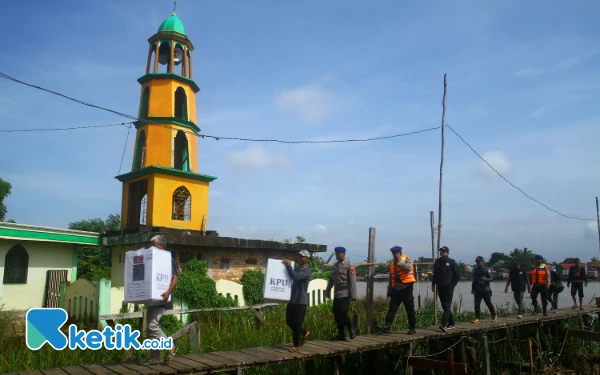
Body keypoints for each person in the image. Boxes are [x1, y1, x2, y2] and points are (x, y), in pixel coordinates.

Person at [139, 235, 179, 365]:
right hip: (152, 298)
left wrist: (167, 292)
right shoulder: (153, 260)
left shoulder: (168, 259)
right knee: (150, 328)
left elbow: (175, 278)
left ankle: (171, 347)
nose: (151, 248)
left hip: (163, 298)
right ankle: (154, 358)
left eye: (154, 245)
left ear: (161, 246)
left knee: (152, 325)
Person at [377, 246, 418, 335]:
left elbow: (409, 268)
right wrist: (389, 289)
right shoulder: (392, 261)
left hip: (406, 288)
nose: (394, 256)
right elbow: (391, 276)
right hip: (396, 289)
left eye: (395, 254)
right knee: (392, 308)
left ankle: (412, 327)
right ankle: (387, 325)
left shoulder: (406, 259)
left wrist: (399, 262)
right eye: (393, 254)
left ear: (400, 253)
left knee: (409, 308)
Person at [325, 246, 357, 341]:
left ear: (344, 254)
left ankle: (351, 328)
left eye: (339, 254)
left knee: (343, 312)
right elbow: (331, 280)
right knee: (337, 315)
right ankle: (341, 334)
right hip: (337, 294)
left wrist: (353, 295)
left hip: (345, 293)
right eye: (336, 254)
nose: (337, 256)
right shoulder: (335, 266)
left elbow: (352, 281)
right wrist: (328, 290)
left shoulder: (349, 265)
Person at [283, 250, 312, 353]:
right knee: (289, 321)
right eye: (299, 256)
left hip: (301, 301)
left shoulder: (306, 271)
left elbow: (295, 277)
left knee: (297, 323)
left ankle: (295, 345)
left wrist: (288, 266)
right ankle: (304, 333)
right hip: (292, 300)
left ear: (307, 259)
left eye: (302, 257)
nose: (300, 258)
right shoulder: (296, 269)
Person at [431, 246, 461, 332]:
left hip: (449, 287)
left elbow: (458, 275)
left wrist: (453, 284)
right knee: (444, 306)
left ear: (447, 253)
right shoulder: (437, 262)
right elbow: (435, 275)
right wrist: (433, 284)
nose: (441, 253)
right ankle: (451, 323)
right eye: (441, 252)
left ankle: (444, 324)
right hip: (440, 287)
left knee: (447, 305)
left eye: (443, 252)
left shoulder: (451, 262)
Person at [472, 256, 497, 324]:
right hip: (477, 289)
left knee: (488, 303)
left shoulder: (487, 269)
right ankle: (477, 318)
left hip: (486, 290)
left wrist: (485, 279)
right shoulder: (476, 270)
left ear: (482, 262)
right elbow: (474, 280)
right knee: (477, 304)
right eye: (477, 262)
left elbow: (491, 278)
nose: (477, 263)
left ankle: (494, 315)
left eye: (479, 262)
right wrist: (473, 289)